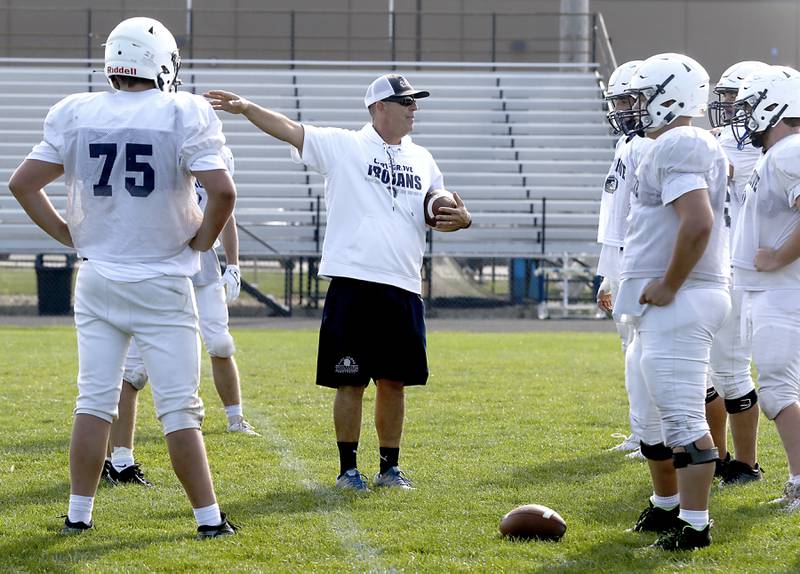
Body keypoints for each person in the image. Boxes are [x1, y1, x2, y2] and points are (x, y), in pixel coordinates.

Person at [8, 17, 236, 537]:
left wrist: (70, 234)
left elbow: (22, 184)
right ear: (162, 64)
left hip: (97, 278)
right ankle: (208, 520)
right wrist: (202, 242)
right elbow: (223, 193)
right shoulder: (184, 112)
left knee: (93, 401)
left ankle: (78, 515)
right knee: (179, 409)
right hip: (161, 281)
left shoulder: (76, 111)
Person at [205, 73, 471, 491]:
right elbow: (291, 130)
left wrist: (459, 214)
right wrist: (246, 108)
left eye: (415, 102)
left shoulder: (422, 157)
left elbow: (438, 199)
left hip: (403, 282)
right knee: (350, 379)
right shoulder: (345, 145)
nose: (414, 109)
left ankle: (390, 468)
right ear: (378, 108)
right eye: (406, 102)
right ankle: (348, 469)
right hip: (354, 283)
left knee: (394, 381)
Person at [613, 53, 731, 550]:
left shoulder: (683, 141)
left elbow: (698, 221)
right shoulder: (665, 145)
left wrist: (669, 283)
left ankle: (695, 524)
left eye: (642, 97)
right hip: (660, 304)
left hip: (683, 298)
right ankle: (666, 508)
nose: (634, 108)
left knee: (683, 419)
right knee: (649, 418)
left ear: (670, 96)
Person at [102, 146, 257, 487]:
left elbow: (225, 209)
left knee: (219, 343)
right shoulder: (160, 147)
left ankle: (235, 417)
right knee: (133, 368)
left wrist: (232, 263)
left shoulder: (215, 153)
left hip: (197, 265)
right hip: (162, 265)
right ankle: (117, 458)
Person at [728, 65, 800, 512]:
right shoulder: (781, 153)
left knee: (778, 390)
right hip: (772, 290)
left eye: (751, 107)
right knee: (781, 388)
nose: (745, 117)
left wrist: (776, 257)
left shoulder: (789, 150)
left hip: (782, 290)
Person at [705, 60, 770, 486]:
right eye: (725, 96)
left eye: (736, 97)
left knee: (730, 370)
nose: (728, 105)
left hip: (739, 268)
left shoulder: (764, 149)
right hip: (713, 264)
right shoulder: (724, 139)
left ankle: (746, 463)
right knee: (708, 375)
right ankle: (719, 456)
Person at [596, 59, 649, 459]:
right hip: (619, 254)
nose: (621, 109)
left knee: (642, 351)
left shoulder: (648, 146)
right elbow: (614, 212)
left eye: (629, 100)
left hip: (638, 255)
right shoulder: (627, 142)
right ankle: (641, 431)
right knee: (629, 349)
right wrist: (607, 275)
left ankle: (652, 434)